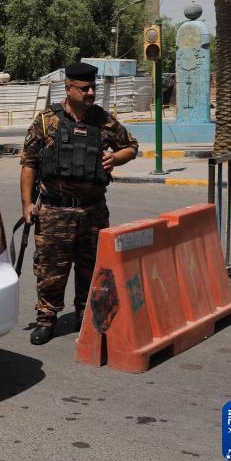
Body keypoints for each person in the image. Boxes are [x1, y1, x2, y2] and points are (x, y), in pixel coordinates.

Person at [19, 62, 139, 345]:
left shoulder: (103, 121)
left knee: (92, 268)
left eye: (93, 88)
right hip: (54, 211)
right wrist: (26, 204)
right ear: (68, 88)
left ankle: (87, 318)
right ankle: (46, 319)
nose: (91, 93)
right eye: (85, 89)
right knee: (50, 270)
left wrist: (116, 158)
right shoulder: (46, 121)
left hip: (92, 210)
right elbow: (29, 163)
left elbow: (131, 147)